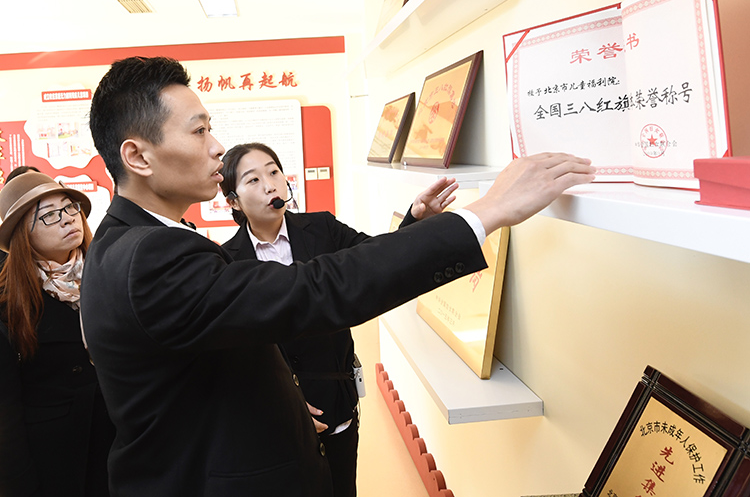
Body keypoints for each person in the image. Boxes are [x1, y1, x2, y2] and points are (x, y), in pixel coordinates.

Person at [81, 55, 595, 497]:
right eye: (199, 131)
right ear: (137, 156)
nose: (217, 147)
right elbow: (314, 289)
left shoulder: (139, 243)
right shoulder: (148, 257)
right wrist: (485, 213)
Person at [219, 142, 458, 497]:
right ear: (233, 201)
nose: (270, 185)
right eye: (253, 180)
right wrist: (284, 402)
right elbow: (237, 352)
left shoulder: (322, 228)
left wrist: (416, 222)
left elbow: (377, 261)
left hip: (334, 403)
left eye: (273, 172)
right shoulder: (226, 260)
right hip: (275, 416)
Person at [0, 171, 115, 496]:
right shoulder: (9, 301)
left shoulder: (108, 273)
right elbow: (6, 411)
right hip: (54, 459)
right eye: (49, 215)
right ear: (22, 233)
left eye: (69, 207)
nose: (67, 219)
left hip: (117, 442)